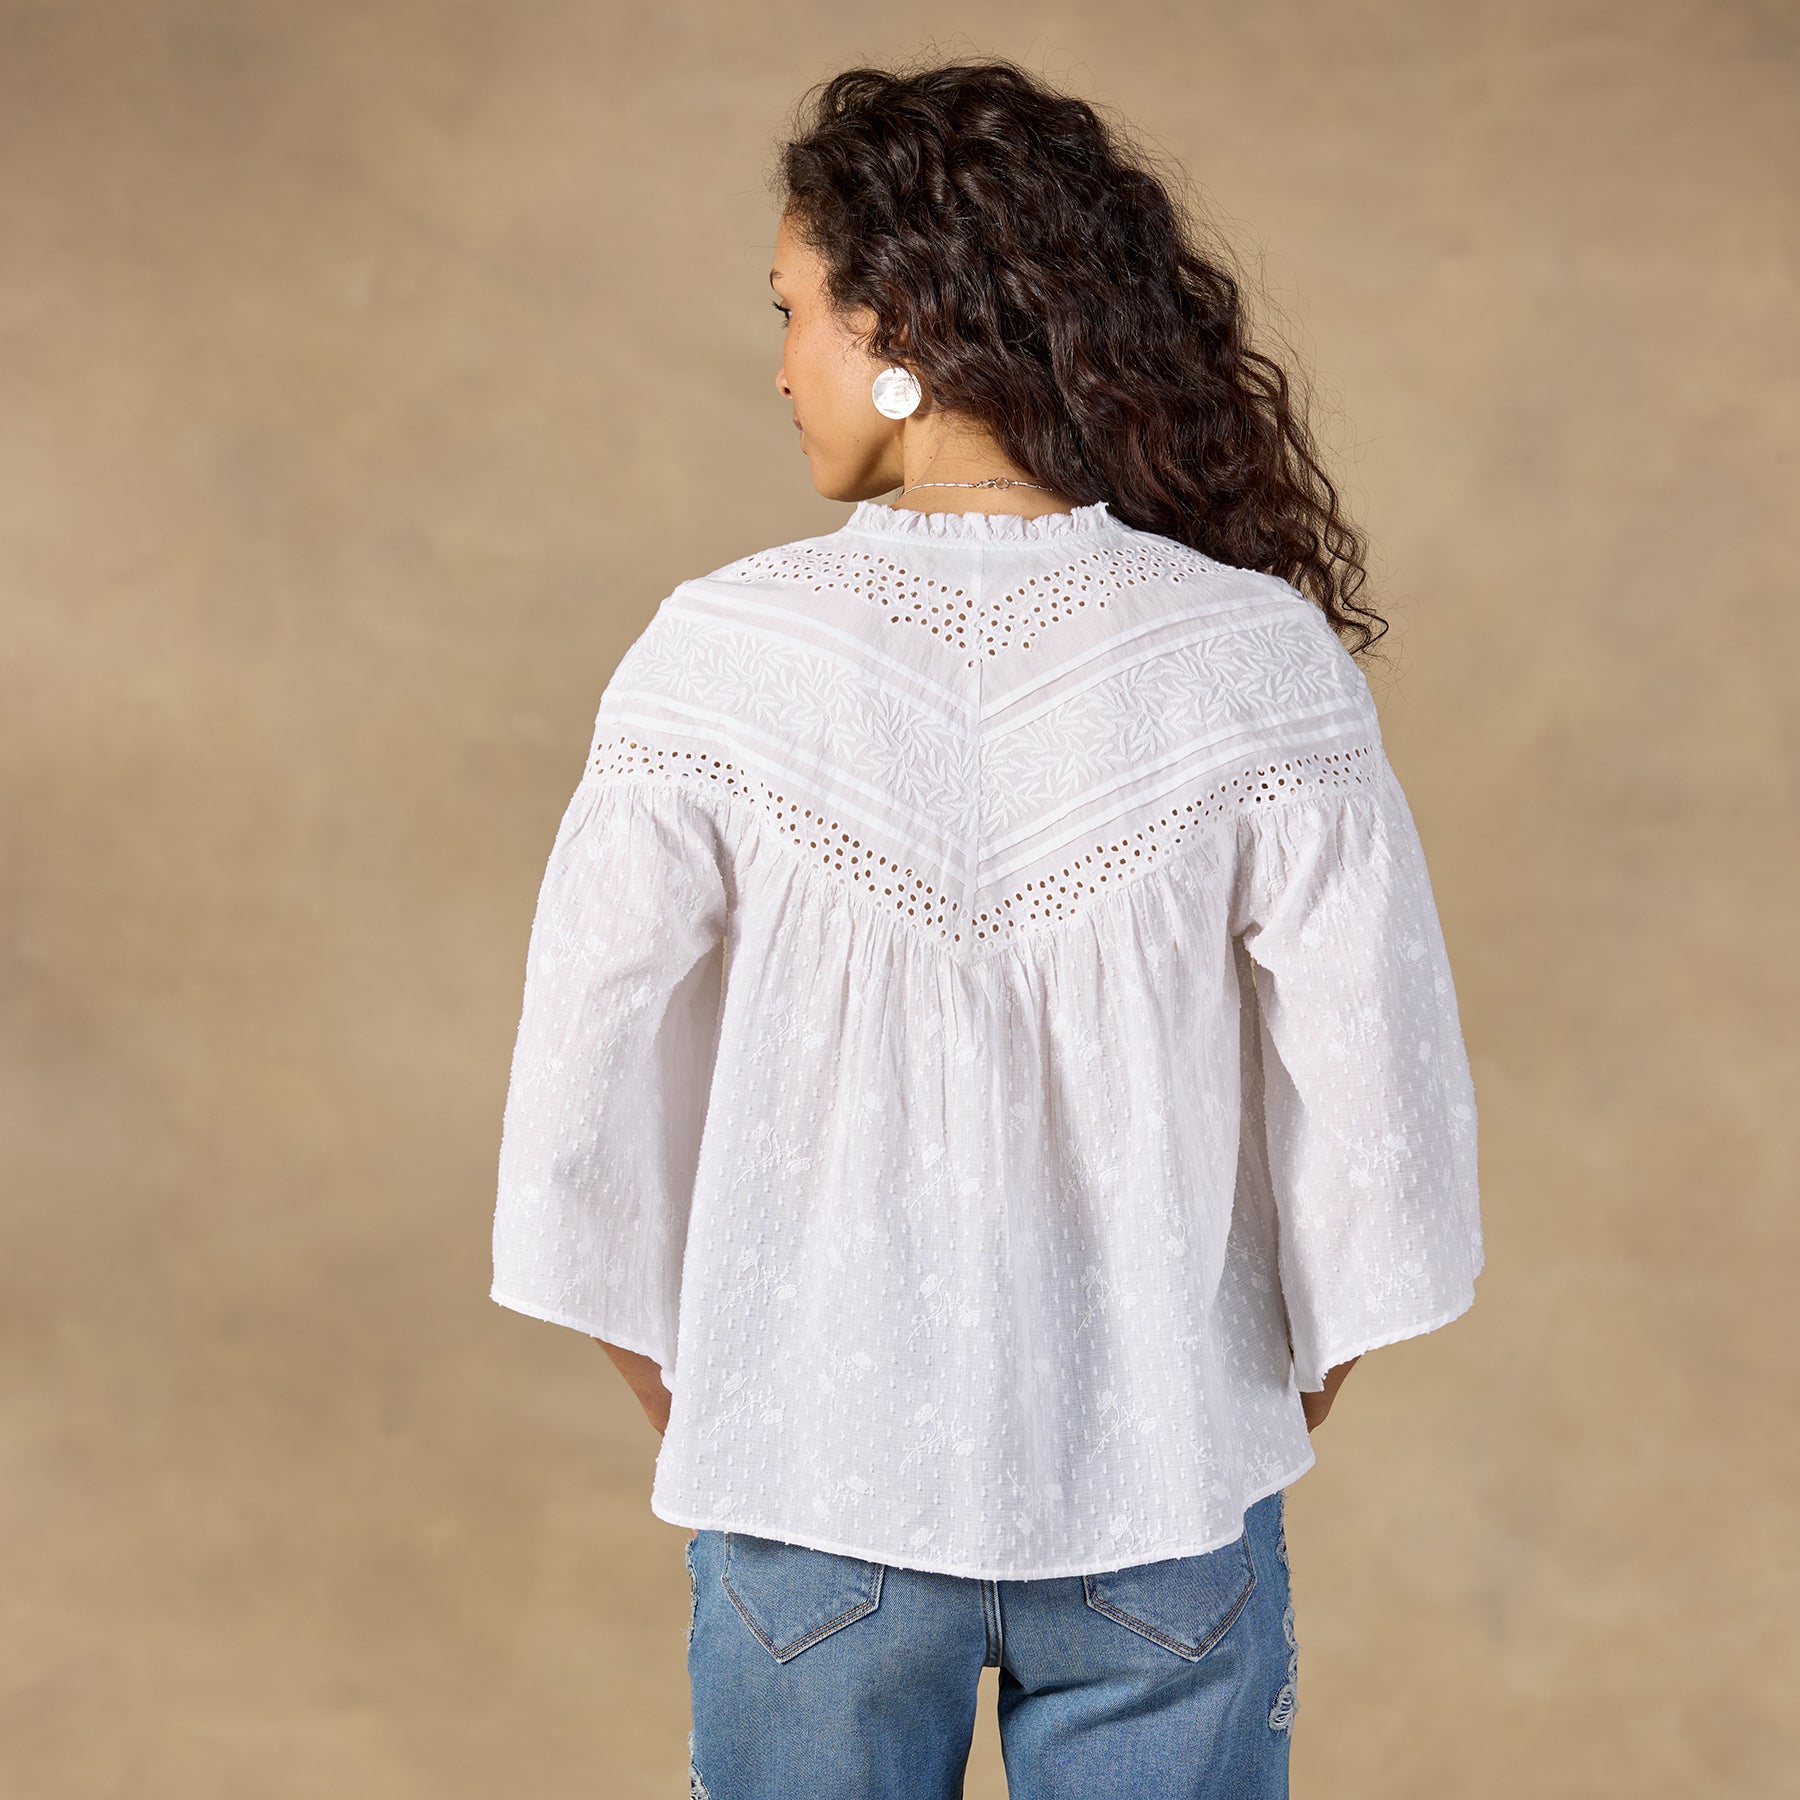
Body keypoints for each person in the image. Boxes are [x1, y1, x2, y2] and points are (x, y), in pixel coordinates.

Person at [489, 56, 1483, 1800]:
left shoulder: (720, 653)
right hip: (1163, 1507)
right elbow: (1381, 1101)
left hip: (810, 1503)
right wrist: (1242, 1392)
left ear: (898, 326)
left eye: (792, 310)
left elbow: (577, 1083)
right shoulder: (1254, 656)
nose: (779, 363)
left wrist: (716, 1391)